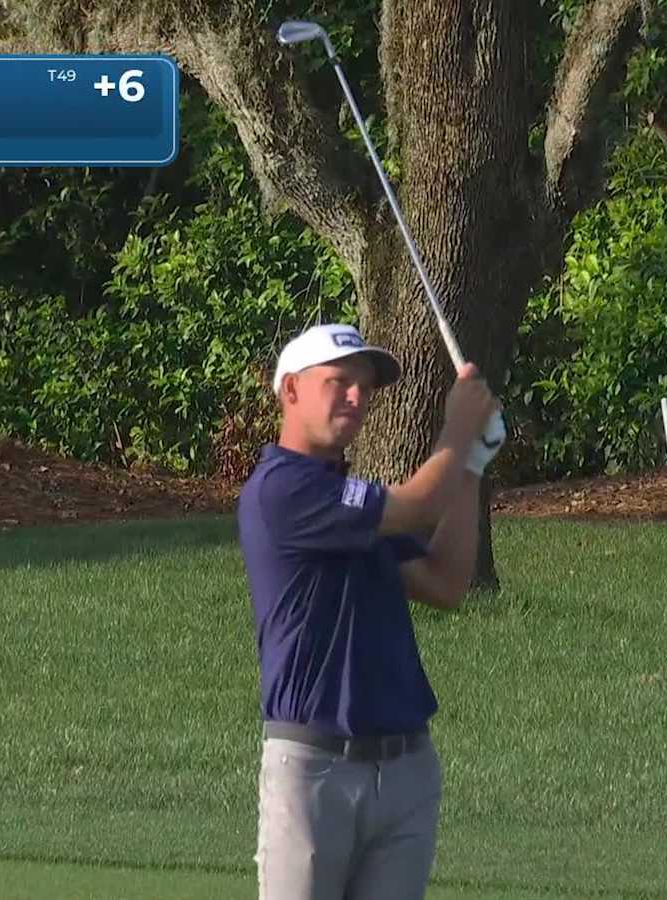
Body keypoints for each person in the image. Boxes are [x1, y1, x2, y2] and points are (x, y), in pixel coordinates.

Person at [237, 322, 504, 900]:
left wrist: (472, 468)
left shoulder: (350, 504)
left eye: (364, 386)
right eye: (339, 381)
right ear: (290, 391)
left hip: (405, 768)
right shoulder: (281, 489)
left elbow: (445, 581)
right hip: (314, 768)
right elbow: (416, 504)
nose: (356, 397)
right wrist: (457, 430)